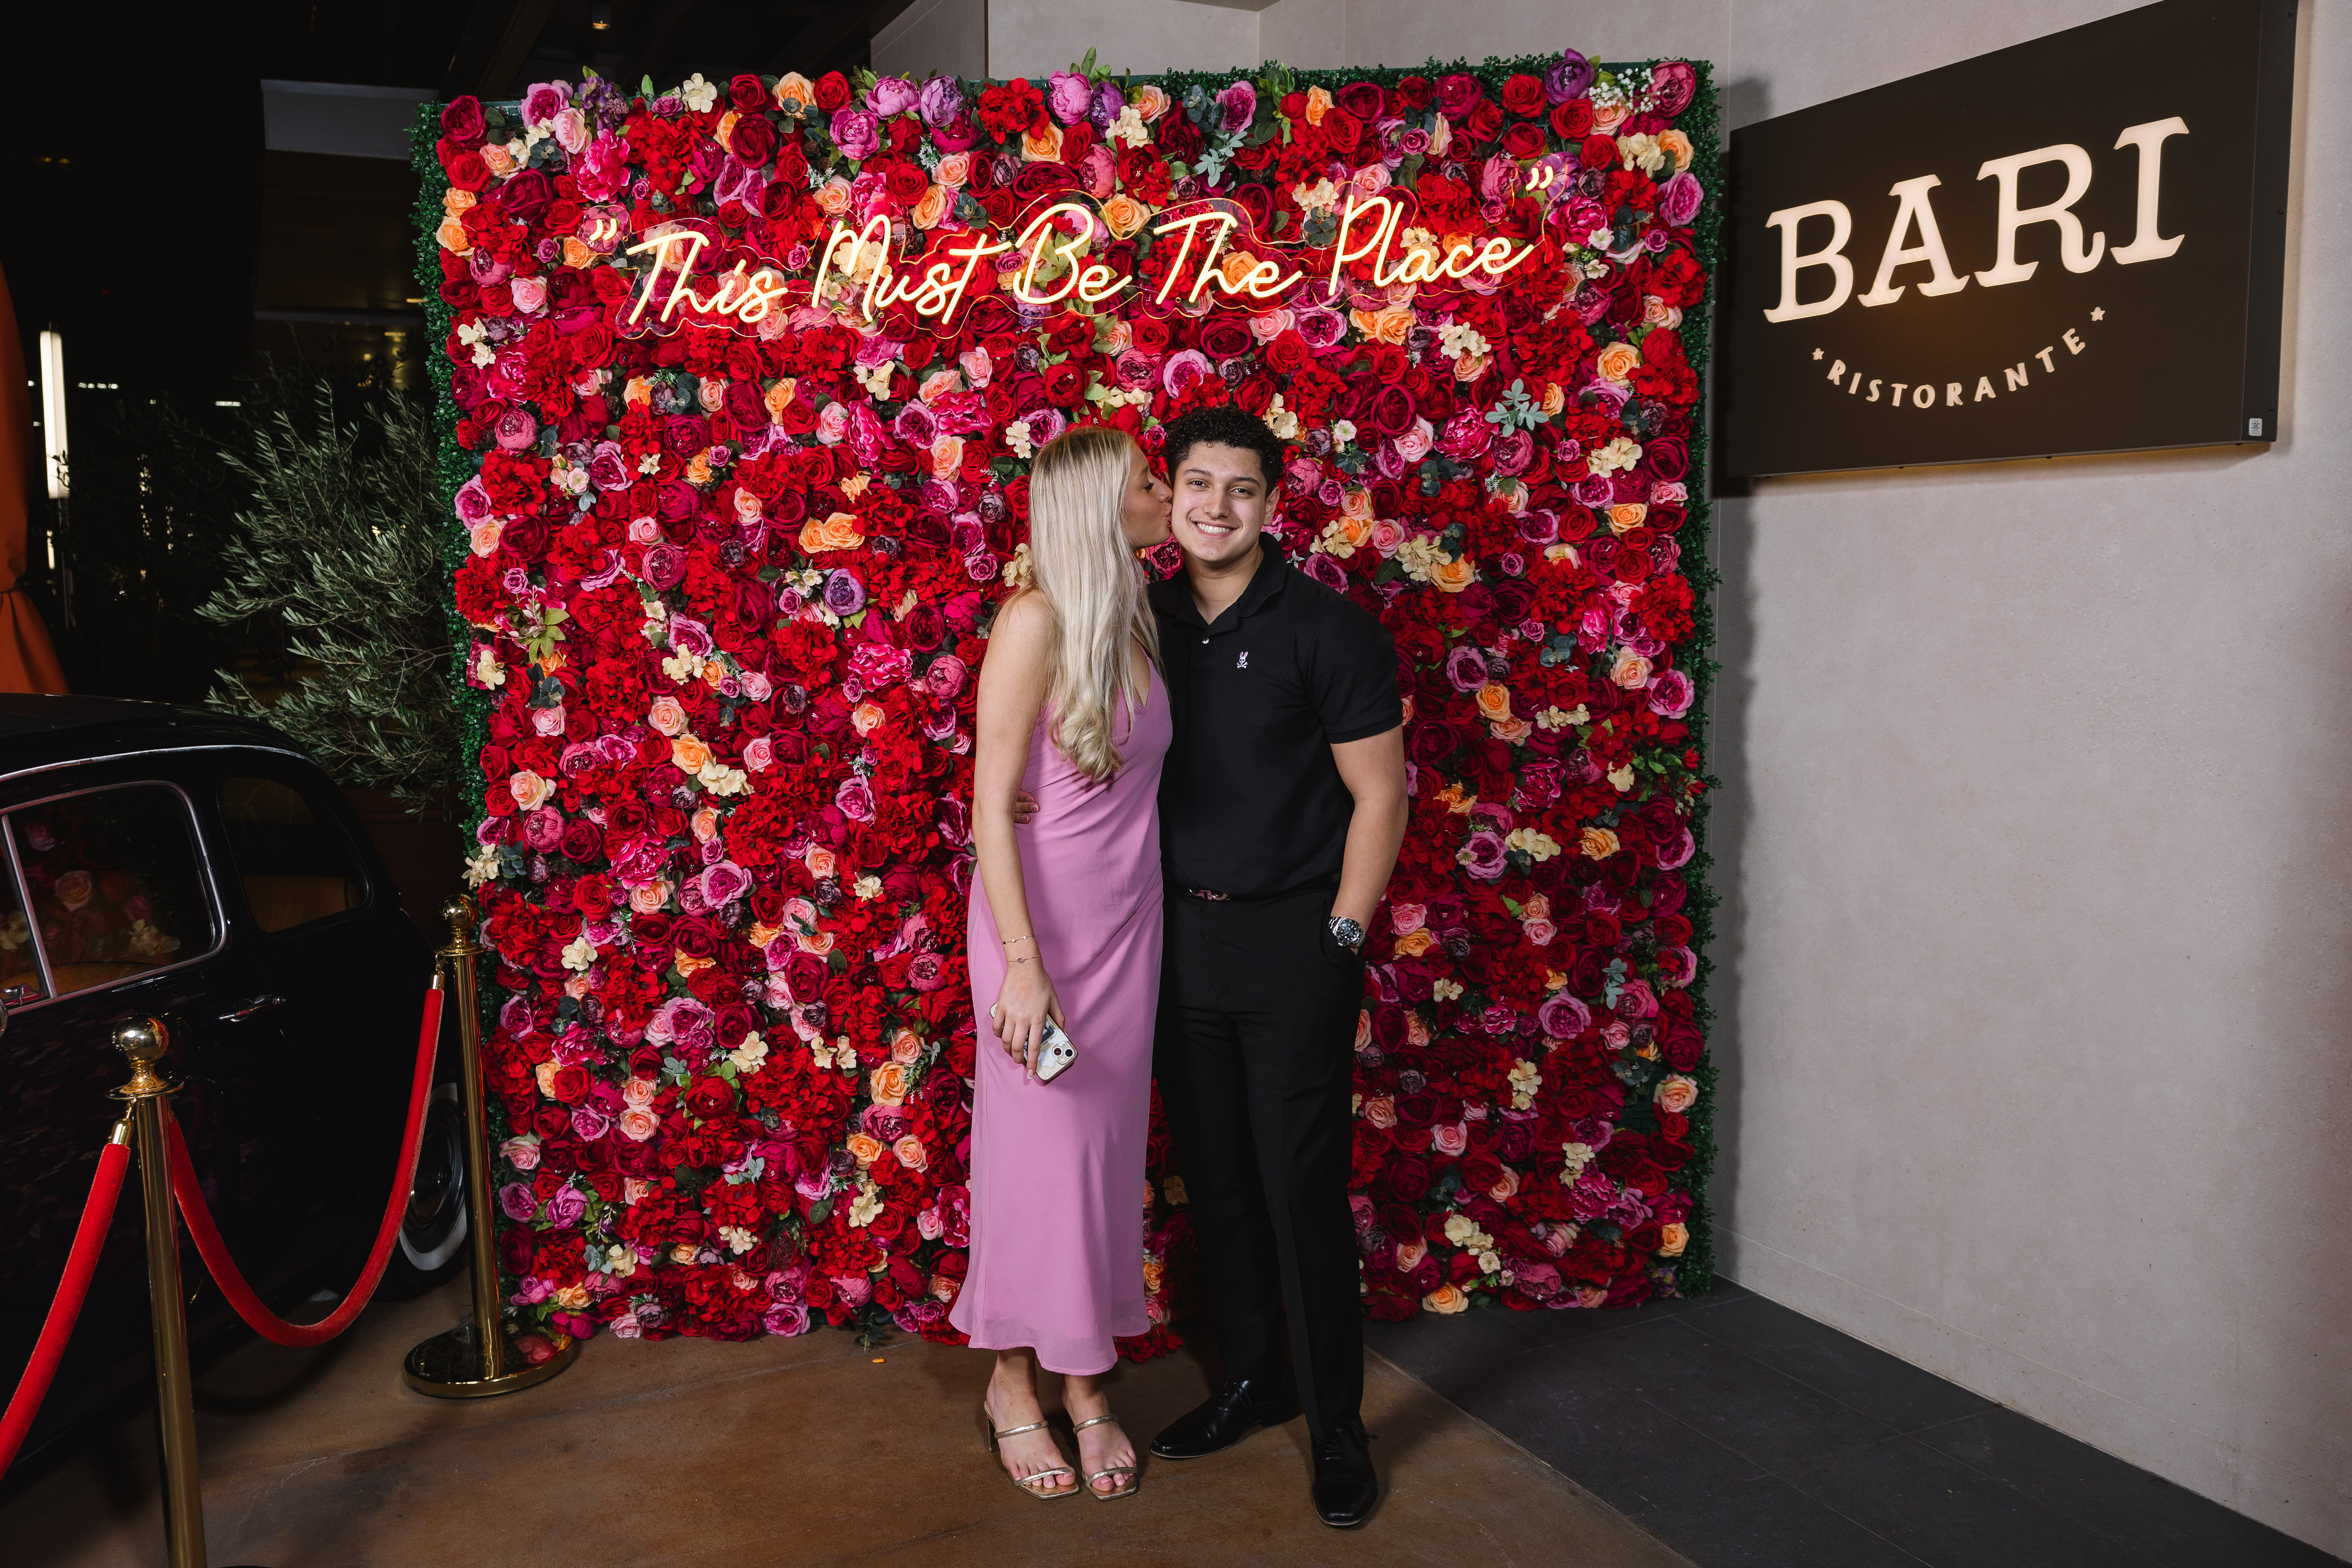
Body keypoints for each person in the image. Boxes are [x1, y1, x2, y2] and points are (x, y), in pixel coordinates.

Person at [1143, 405, 1409, 1528]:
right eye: (1198, 484)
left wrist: (1342, 933)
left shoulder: (1328, 630)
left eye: (1241, 489)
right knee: (1217, 1179)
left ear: (1270, 503)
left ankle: (1337, 1425)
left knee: (1299, 1189)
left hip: (1296, 942)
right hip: (1172, 942)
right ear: (1168, 494)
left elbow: (1380, 796)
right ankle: (1253, 1382)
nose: (1217, 507)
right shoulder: (1139, 618)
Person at [951, 425, 1173, 1501]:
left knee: (1100, 1165)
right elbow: (990, 807)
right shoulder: (1031, 620)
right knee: (1038, 1162)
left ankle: (1083, 1381)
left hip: (1129, 928)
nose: (1166, 492)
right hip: (1038, 935)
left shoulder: (1133, 612)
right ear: (1099, 505)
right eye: (1149, 481)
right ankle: (1013, 1381)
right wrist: (1023, 966)